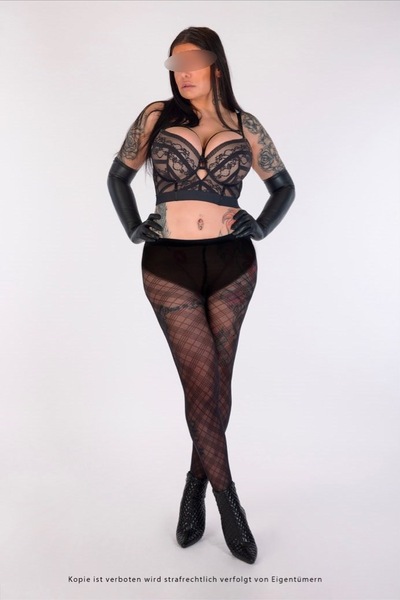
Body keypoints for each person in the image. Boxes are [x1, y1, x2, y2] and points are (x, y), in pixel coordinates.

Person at [107, 26, 295, 565]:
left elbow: (284, 187)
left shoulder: (244, 124)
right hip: (170, 265)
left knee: (217, 384)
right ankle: (228, 501)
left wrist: (261, 226)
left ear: (216, 65)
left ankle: (195, 484)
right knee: (201, 383)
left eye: (192, 61)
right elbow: (118, 178)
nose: (182, 72)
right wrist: (133, 227)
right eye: (175, 63)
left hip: (234, 266)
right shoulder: (156, 116)